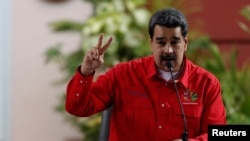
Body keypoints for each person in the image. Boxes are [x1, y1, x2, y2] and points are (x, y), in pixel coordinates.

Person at [65, 7, 226, 141]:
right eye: (161, 42)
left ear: (185, 43)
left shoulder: (206, 84)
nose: (168, 50)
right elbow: (77, 108)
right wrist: (86, 71)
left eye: (175, 42)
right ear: (151, 43)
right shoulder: (122, 75)